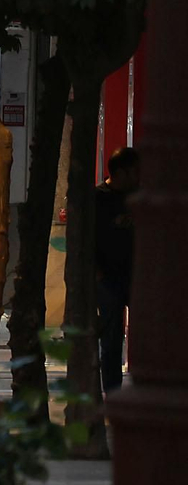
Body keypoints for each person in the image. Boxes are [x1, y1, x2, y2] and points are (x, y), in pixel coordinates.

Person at [95, 146, 139, 394]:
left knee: (146, 334)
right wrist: (97, 273)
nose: (139, 177)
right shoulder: (99, 198)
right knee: (111, 341)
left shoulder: (139, 196)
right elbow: (86, 238)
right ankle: (113, 394)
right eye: (135, 172)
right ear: (121, 172)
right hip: (107, 279)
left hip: (135, 277)